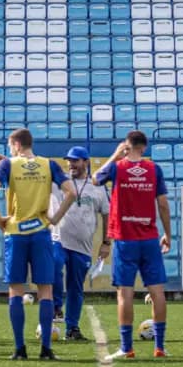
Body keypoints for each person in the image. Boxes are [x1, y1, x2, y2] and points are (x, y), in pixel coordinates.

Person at [0, 128, 77, 361]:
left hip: (15, 232)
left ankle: (20, 349)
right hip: (41, 232)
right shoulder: (49, 165)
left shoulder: (8, 165)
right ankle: (46, 349)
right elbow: (71, 192)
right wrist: (54, 219)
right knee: (45, 289)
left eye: (9, 145)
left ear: (15, 144)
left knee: (16, 289)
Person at [94, 130, 172, 361]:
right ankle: (159, 347)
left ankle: (126, 347)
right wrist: (168, 234)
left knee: (124, 293)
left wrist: (114, 156)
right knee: (157, 291)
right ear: (144, 147)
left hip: (125, 238)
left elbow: (95, 178)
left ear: (126, 146)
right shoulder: (154, 169)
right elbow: (164, 204)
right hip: (149, 238)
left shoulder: (117, 167)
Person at [50, 146, 110, 341]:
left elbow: (107, 215)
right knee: (54, 266)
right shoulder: (58, 182)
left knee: (76, 287)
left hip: (82, 245)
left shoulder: (98, 186)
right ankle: (56, 307)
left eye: (75, 160)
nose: (70, 164)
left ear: (86, 162)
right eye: (69, 160)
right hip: (58, 239)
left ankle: (72, 329)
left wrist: (106, 242)